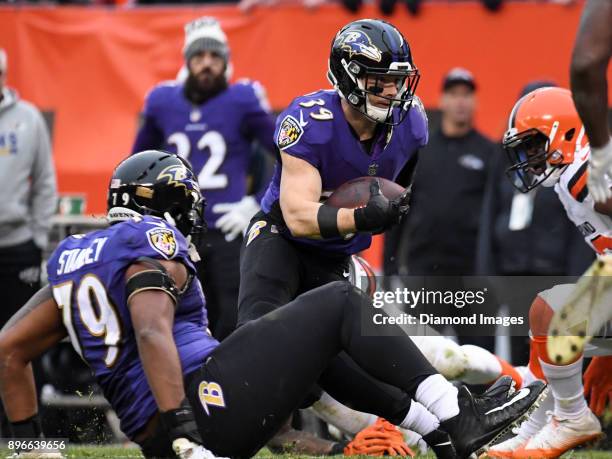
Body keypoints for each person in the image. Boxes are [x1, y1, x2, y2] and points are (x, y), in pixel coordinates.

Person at [0, 151, 546, 459]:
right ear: (166, 203)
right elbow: (150, 332)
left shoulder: (77, 258)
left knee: (308, 336)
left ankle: (439, 431)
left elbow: (9, 351)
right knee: (337, 302)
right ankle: (456, 413)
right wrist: (184, 431)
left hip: (178, 429)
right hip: (195, 412)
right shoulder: (150, 243)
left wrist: (31, 448)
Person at [132, 17, 276, 340]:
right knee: (183, 317)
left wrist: (256, 203)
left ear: (226, 62)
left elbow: (287, 157)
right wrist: (150, 214)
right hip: (179, 231)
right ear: (187, 62)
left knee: (234, 315)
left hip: (228, 228)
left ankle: (232, 388)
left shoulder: (243, 99)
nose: (207, 64)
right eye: (199, 57)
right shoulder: (163, 102)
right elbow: (136, 164)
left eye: (214, 57)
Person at [487, 86, 611, 457]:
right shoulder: (569, 182)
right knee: (543, 308)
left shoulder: (590, 173)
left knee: (559, 313)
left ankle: (572, 416)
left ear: (566, 132)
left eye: (535, 145)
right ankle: (544, 420)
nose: (530, 157)